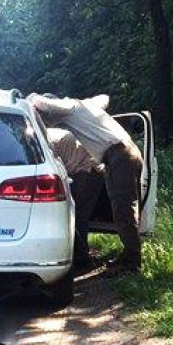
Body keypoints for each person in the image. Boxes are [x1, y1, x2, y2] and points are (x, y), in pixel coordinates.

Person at [29, 93, 145, 274]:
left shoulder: (71, 107)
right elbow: (105, 98)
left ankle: (132, 262)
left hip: (118, 155)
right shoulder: (84, 106)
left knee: (123, 210)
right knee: (122, 208)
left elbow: (42, 103)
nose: (47, 121)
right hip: (120, 154)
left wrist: (28, 100)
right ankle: (128, 255)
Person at [46, 126, 105, 272]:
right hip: (84, 165)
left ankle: (81, 259)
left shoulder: (42, 141)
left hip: (87, 169)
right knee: (75, 214)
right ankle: (78, 256)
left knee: (77, 215)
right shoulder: (45, 134)